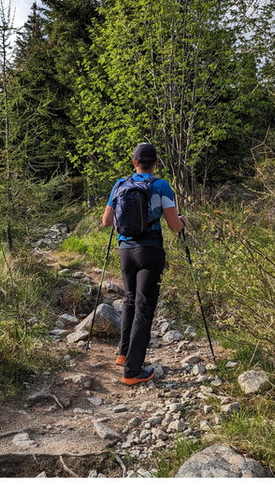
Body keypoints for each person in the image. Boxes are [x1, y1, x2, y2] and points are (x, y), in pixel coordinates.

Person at [101, 143, 185, 385]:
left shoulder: (120, 185)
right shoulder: (161, 186)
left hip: (126, 250)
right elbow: (174, 226)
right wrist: (183, 221)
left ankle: (123, 353)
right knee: (144, 306)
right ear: (156, 163)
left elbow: (106, 221)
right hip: (150, 250)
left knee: (129, 300)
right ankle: (133, 371)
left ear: (134, 162)